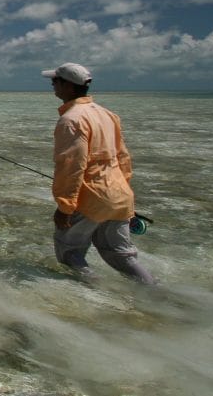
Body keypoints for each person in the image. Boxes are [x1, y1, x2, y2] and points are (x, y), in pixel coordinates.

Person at [41, 62, 156, 284]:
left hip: (90, 198)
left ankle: (98, 290)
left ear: (68, 86)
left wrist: (65, 206)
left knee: (70, 253)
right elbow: (123, 158)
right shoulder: (108, 114)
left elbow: (71, 166)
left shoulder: (71, 120)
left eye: (55, 81)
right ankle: (153, 290)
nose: (52, 85)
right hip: (120, 196)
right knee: (123, 256)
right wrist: (125, 193)